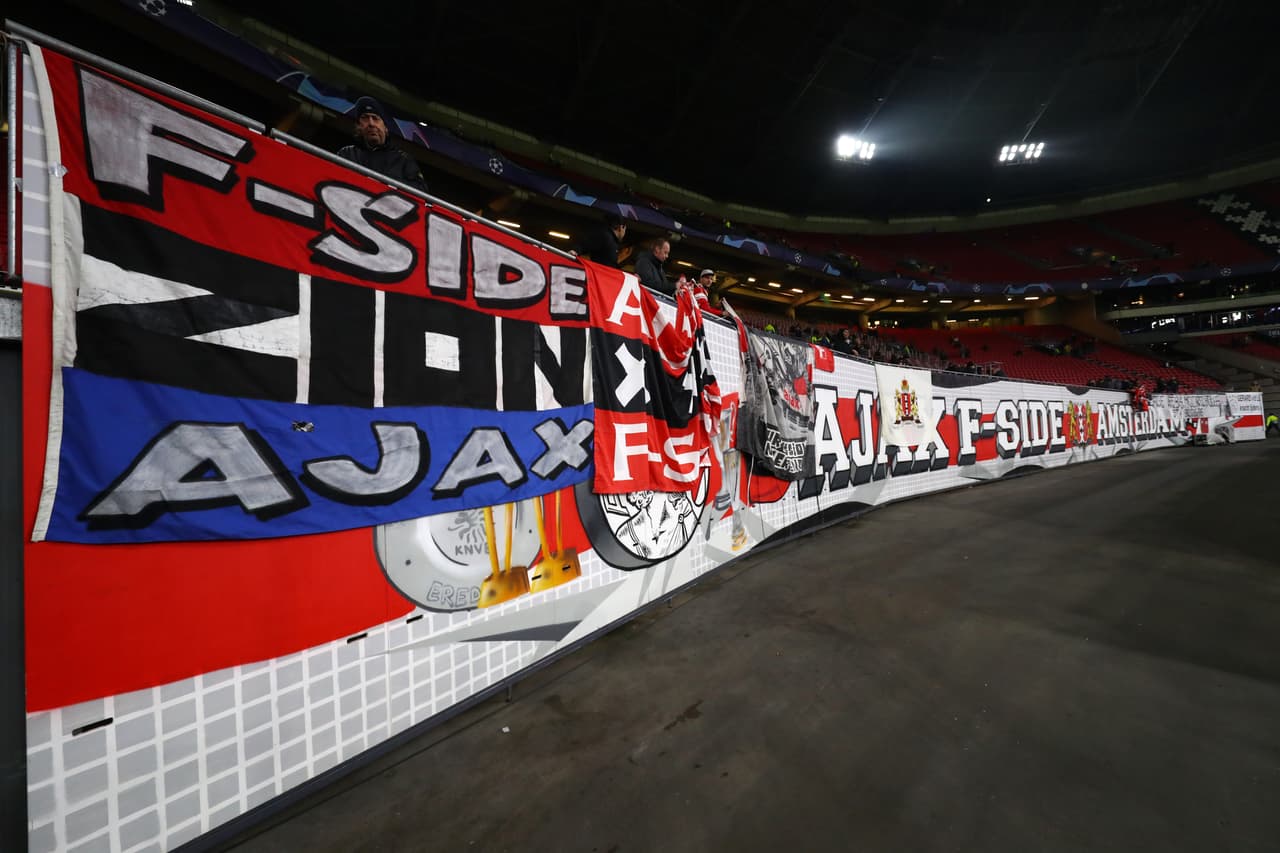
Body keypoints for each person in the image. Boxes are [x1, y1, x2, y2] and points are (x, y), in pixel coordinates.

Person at [337, 96, 427, 190]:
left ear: (385, 128)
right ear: (359, 126)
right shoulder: (347, 153)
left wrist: (387, 182)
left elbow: (421, 191)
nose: (371, 123)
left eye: (375, 118)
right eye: (365, 118)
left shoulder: (403, 159)